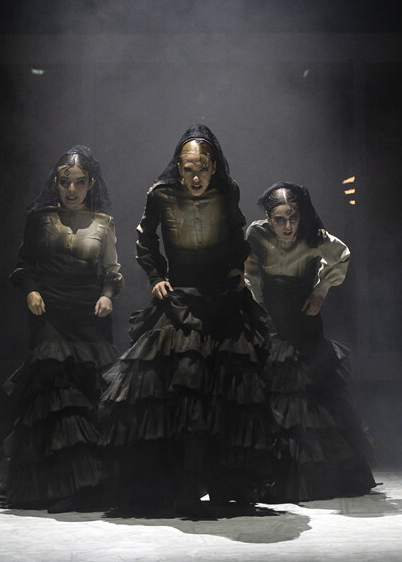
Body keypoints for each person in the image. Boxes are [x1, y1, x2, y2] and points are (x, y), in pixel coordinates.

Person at [100, 125, 273, 517]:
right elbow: (145, 240)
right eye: (189, 169)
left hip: (223, 300)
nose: (196, 177)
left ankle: (226, 483)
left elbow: (237, 235)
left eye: (203, 169)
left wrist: (235, 268)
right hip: (179, 300)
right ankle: (181, 484)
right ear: (179, 167)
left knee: (227, 393)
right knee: (179, 395)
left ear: (214, 167)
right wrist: (156, 276)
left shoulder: (227, 191)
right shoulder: (160, 194)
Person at [0, 145, 124, 512]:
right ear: (56, 182)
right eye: (65, 182)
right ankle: (55, 485)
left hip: (89, 317)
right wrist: (31, 289)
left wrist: (108, 294)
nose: (71, 189)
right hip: (50, 314)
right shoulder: (41, 219)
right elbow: (25, 262)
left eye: (79, 182)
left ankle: (87, 485)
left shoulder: (103, 222)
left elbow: (112, 270)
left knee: (88, 395)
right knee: (56, 399)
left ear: (90, 183)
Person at [245, 181, 376, 503]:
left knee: (313, 400)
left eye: (293, 217)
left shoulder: (314, 236)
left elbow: (341, 256)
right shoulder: (257, 235)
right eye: (280, 219)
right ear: (268, 218)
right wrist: (257, 309)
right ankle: (274, 475)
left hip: (304, 321)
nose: (288, 226)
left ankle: (318, 477)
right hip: (273, 322)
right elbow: (250, 273)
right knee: (274, 399)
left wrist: (320, 291)